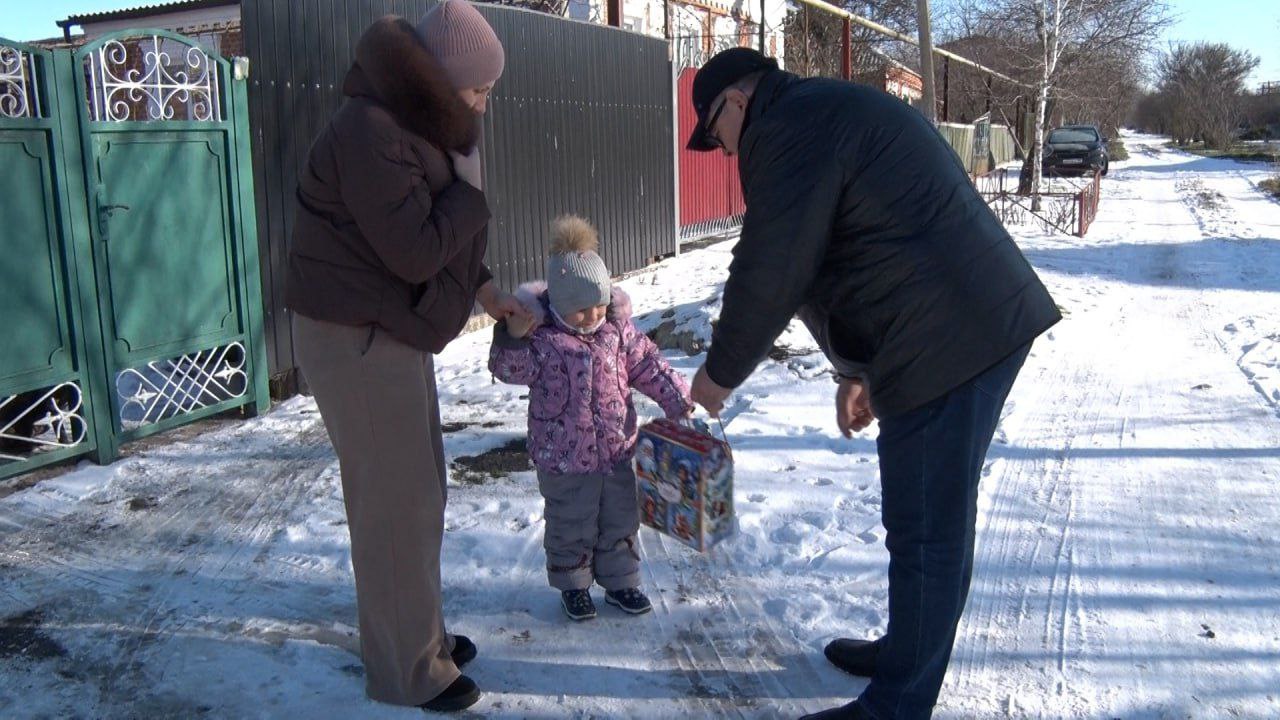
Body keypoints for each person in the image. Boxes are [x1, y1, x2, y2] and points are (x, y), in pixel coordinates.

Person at [683, 48, 1061, 720]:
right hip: (954, 323)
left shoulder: (788, 130)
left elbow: (773, 269)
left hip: (949, 337)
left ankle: (898, 704)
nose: (725, 152)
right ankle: (907, 653)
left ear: (736, 101)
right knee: (928, 518)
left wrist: (717, 377)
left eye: (716, 134)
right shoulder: (817, 113)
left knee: (927, 528)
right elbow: (838, 255)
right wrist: (854, 372)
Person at [284, 1, 529, 712]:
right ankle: (407, 671)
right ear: (438, 79)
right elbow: (418, 249)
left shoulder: (412, 121)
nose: (484, 105)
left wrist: (484, 289)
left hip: (386, 326)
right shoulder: (369, 129)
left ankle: (419, 638)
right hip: (353, 335)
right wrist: (472, 196)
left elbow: (426, 225)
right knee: (396, 503)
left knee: (420, 493)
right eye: (478, 90)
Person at [488, 215, 692, 621]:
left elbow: (649, 365)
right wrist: (513, 337)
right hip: (563, 459)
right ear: (560, 306)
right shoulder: (542, 340)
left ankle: (621, 582)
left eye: (599, 304)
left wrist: (677, 399)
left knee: (621, 519)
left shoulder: (617, 332)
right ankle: (574, 585)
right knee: (571, 524)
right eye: (581, 310)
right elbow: (508, 369)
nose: (593, 314)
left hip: (616, 450)